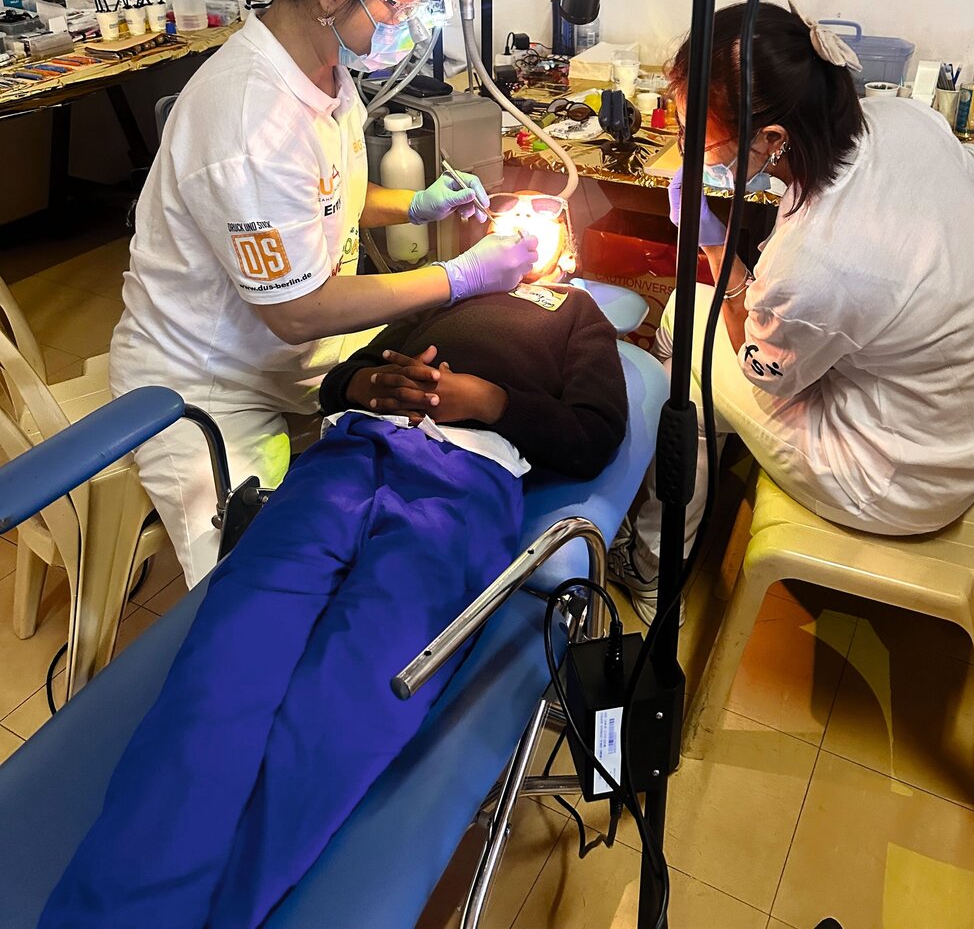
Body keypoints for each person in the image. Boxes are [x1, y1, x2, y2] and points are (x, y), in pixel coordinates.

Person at [41, 283, 627, 928]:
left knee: (348, 700)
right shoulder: (454, 292)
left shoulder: (579, 314)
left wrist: (490, 402)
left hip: (464, 485)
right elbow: (339, 381)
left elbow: (594, 436)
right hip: (345, 458)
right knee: (224, 666)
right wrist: (369, 384)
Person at [110, 0, 538, 587]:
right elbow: (298, 309)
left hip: (296, 354)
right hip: (205, 381)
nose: (408, 26)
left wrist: (417, 204)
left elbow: (325, 199)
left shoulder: (327, 71)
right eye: (401, 4)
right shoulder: (248, 121)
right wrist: (457, 276)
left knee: (444, 410)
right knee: (263, 581)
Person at [610, 2, 974, 624]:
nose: (687, 150)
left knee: (684, 340)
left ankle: (651, 569)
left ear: (773, 139)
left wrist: (715, 244)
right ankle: (692, 492)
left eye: (699, 136)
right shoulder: (907, 119)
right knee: (704, 319)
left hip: (904, 478)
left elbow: (760, 367)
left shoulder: (818, 260)